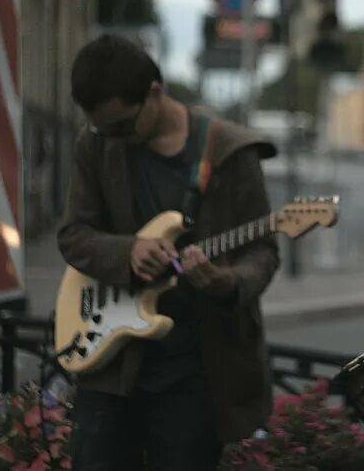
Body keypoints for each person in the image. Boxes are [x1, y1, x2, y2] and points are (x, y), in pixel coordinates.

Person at [58, 34, 279, 471]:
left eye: (122, 125)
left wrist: (228, 280)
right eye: (103, 128)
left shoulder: (232, 153)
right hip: (112, 361)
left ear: (154, 94)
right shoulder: (97, 143)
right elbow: (74, 234)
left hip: (198, 367)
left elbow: (263, 252)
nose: (112, 137)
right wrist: (128, 251)